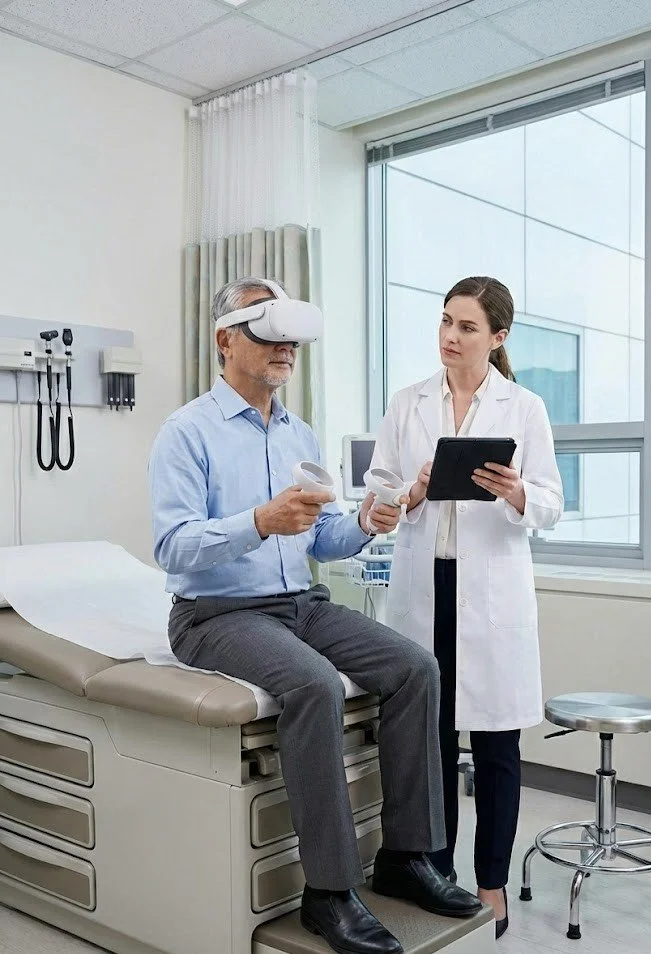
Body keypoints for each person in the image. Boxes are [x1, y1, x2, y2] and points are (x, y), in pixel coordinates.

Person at [148, 277, 482, 954]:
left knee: (416, 666)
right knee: (313, 684)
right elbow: (171, 547)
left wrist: (364, 521)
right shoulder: (187, 432)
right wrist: (256, 522)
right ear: (225, 340)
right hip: (213, 613)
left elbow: (321, 538)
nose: (287, 350)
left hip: (300, 603)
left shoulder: (297, 430)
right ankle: (327, 892)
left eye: (292, 339)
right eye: (269, 335)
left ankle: (406, 855)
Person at [371, 276, 563, 940]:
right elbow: (378, 493)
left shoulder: (523, 407)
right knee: (430, 744)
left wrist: (514, 493)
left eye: (466, 327)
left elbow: (550, 503)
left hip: (491, 597)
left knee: (496, 746)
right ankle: (438, 875)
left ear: (497, 337)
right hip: (426, 591)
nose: (450, 337)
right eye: (445, 323)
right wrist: (412, 489)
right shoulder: (408, 403)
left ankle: (491, 885)